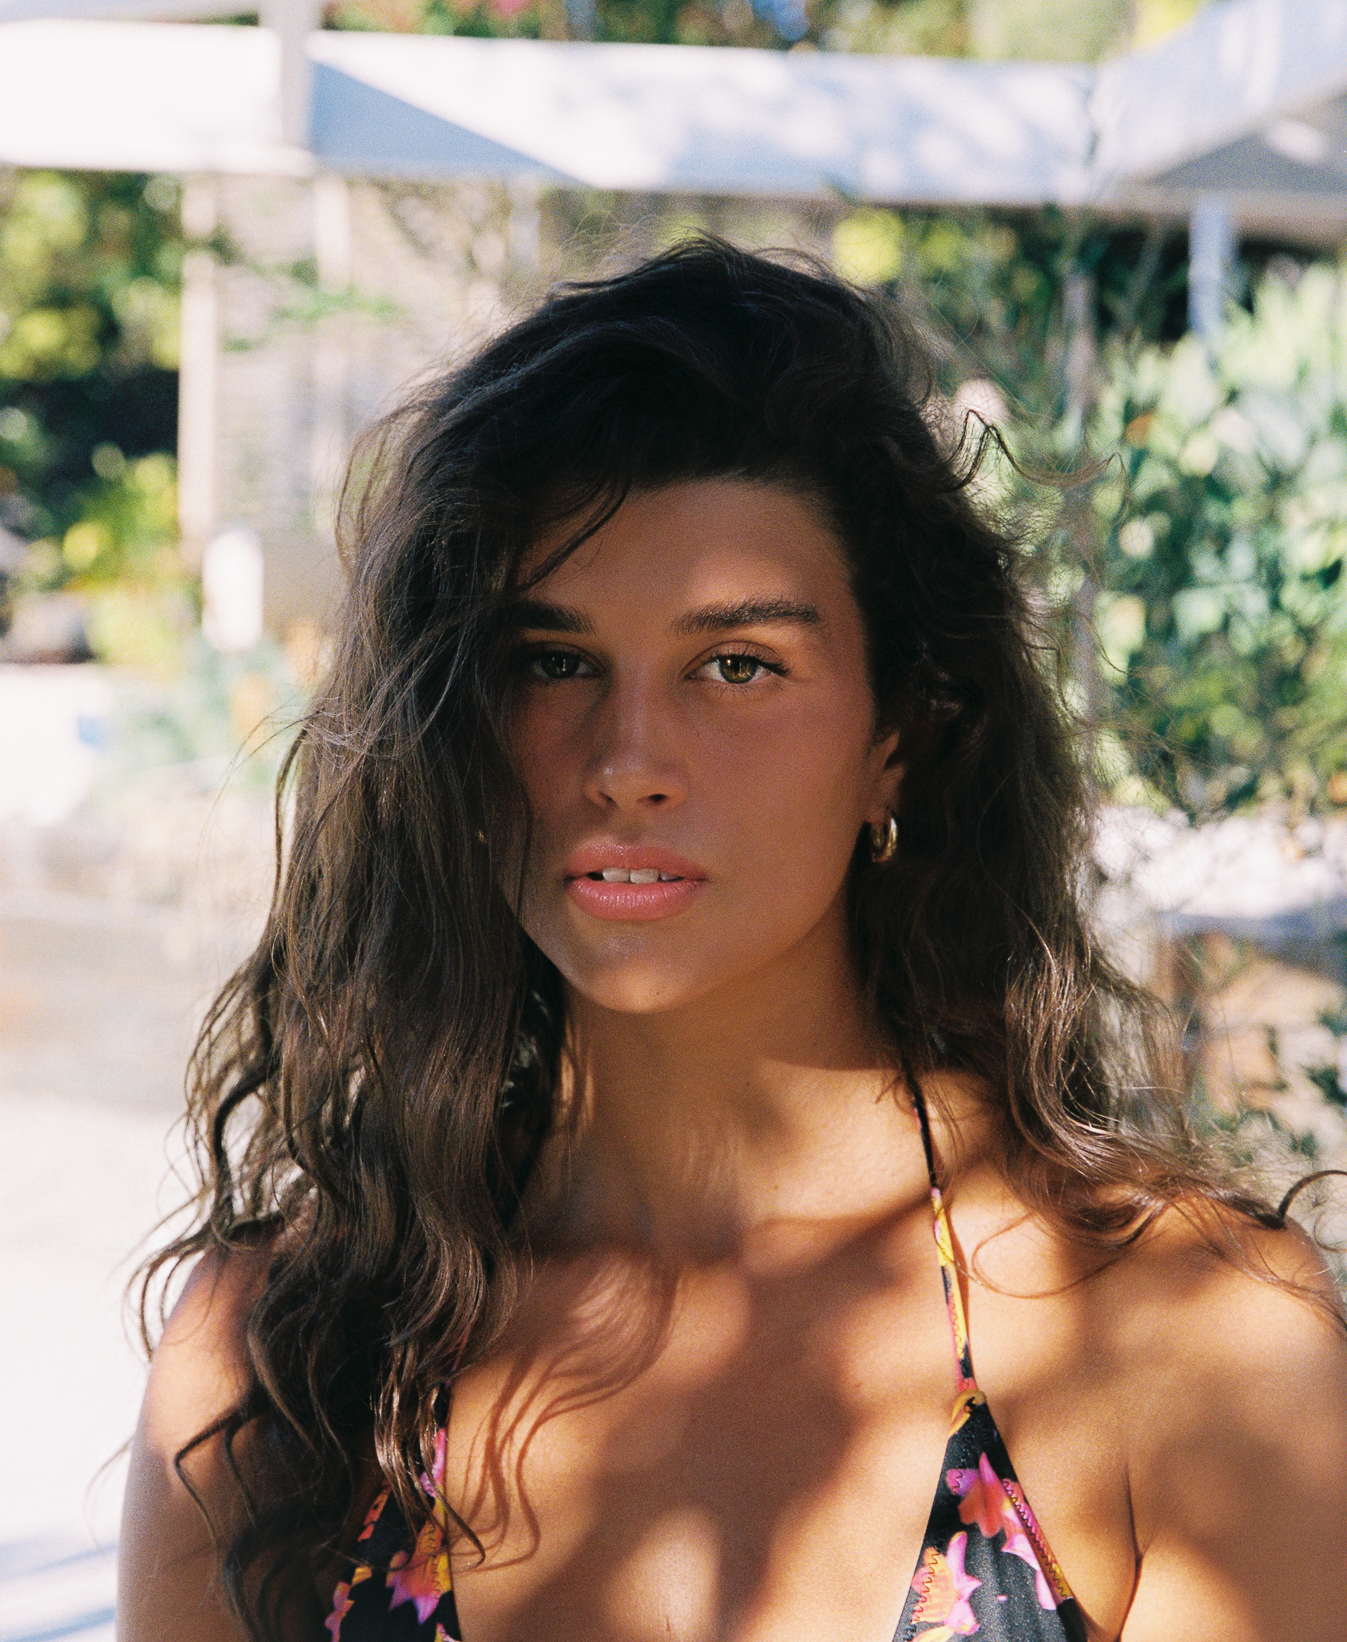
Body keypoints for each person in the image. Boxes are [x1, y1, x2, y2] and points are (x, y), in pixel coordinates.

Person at [119, 239, 1347, 1642]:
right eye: (552, 662)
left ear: (901, 737)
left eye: (738, 665)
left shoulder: (1186, 1340)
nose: (628, 761)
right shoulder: (280, 1368)